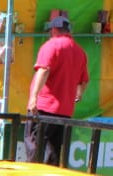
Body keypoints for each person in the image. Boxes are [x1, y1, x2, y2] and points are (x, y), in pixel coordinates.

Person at [24, 15, 89, 163]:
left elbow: (44, 70)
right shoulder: (80, 52)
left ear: (53, 30)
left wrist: (33, 98)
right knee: (54, 153)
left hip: (44, 107)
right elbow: (84, 81)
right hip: (65, 111)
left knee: (34, 146)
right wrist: (78, 94)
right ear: (68, 31)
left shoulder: (51, 45)